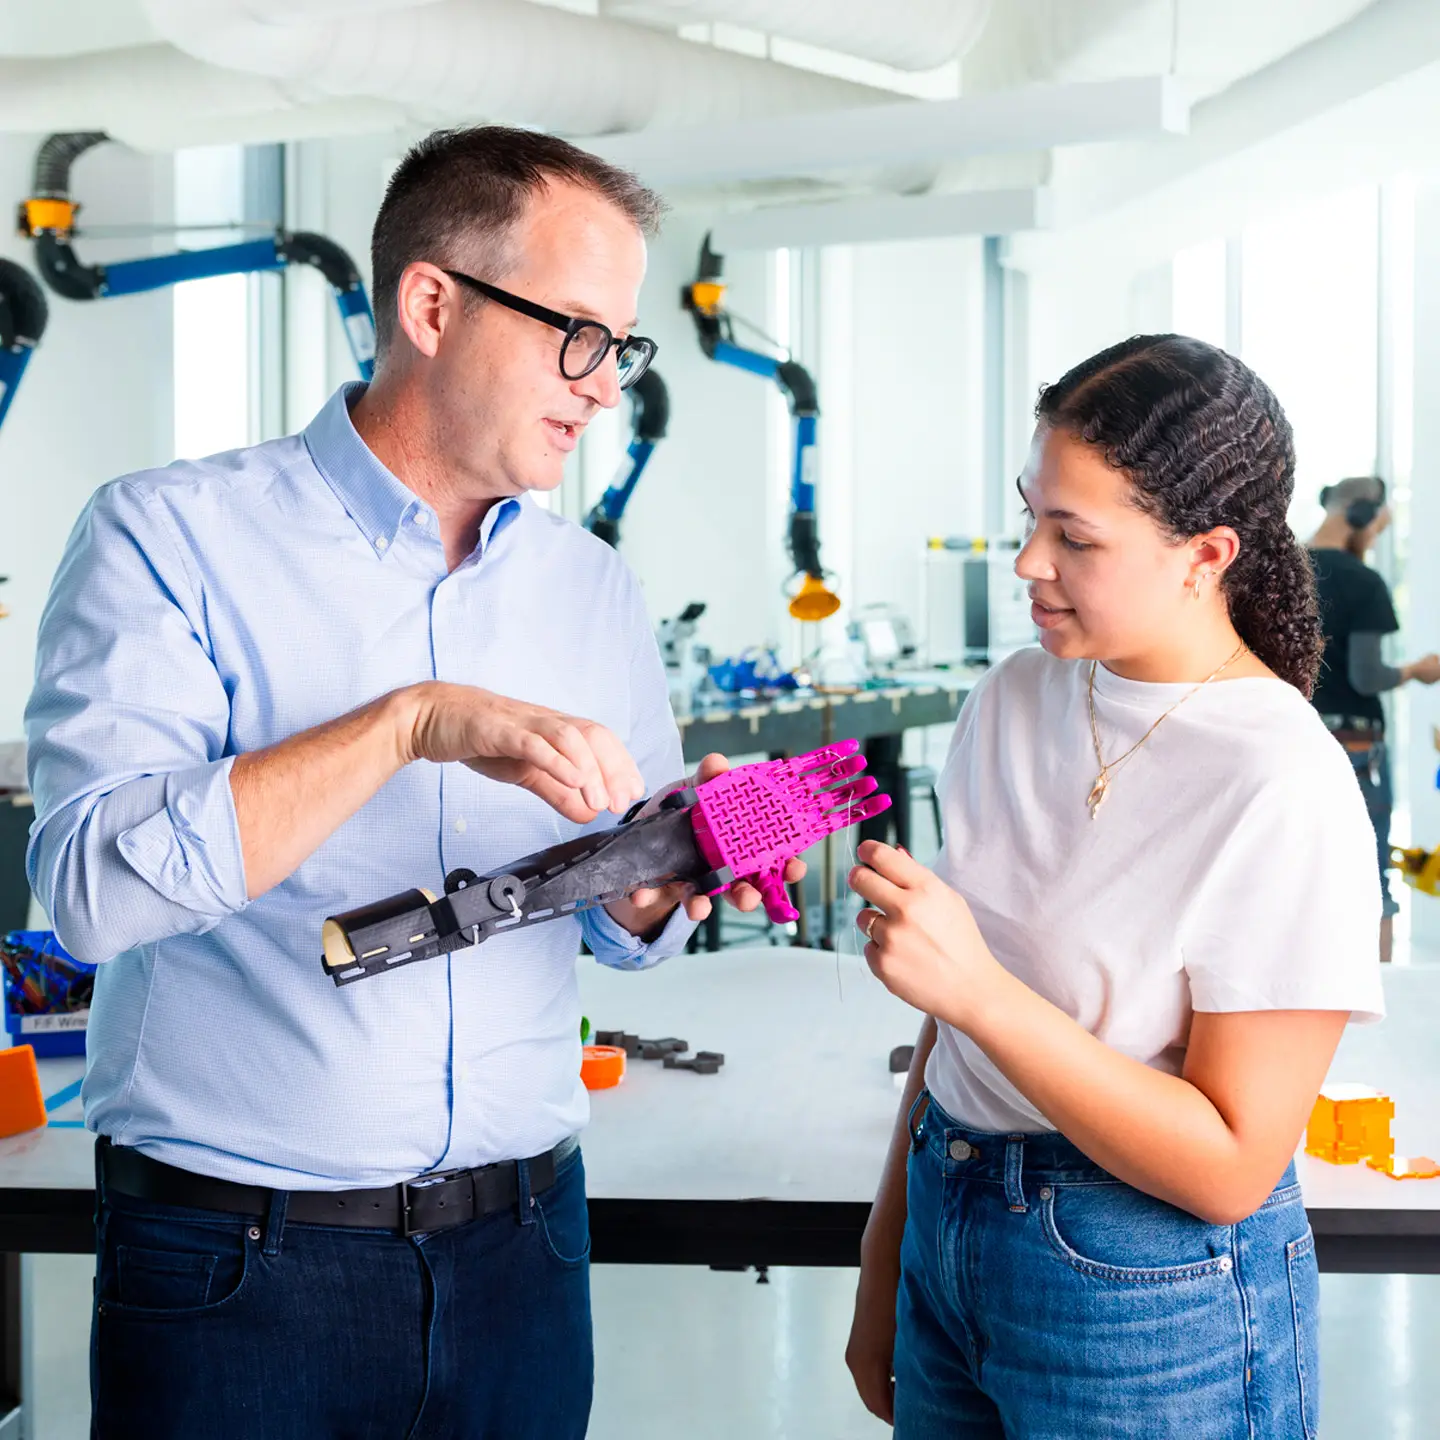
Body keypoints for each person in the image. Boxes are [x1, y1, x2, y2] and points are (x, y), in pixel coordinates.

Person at [26, 125, 796, 1440]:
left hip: (525, 1256)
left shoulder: (589, 589)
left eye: (623, 345)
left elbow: (616, 927)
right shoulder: (169, 535)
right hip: (239, 1267)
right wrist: (405, 725)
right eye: (578, 336)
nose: (604, 386)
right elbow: (92, 894)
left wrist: (673, 866)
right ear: (432, 304)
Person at [843, 335, 1383, 1438]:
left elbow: (1233, 1165)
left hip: (1145, 1291)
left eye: (1073, 536)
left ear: (1207, 554)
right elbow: (954, 1039)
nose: (1028, 562)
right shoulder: (1014, 699)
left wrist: (979, 988)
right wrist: (884, 1258)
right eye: (1029, 516)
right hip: (950, 1218)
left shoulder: (1278, 777)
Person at [1308, 476, 1440, 962]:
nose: (1376, 537)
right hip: (1355, 746)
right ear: (1361, 517)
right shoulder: (1363, 582)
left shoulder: (1280, 570)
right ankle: (1379, 1011)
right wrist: (1416, 670)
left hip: (1293, 738)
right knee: (1370, 874)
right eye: (1379, 528)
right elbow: (1367, 676)